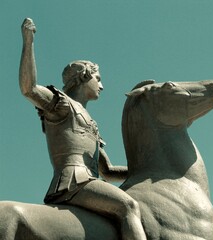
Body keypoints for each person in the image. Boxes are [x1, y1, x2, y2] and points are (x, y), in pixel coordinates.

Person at [19, 18, 146, 240]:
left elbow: (106, 171)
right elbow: (28, 89)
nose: (102, 85)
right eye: (98, 78)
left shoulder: (90, 122)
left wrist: (144, 170)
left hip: (91, 182)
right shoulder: (62, 105)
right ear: (83, 76)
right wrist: (28, 42)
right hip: (73, 183)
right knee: (128, 206)